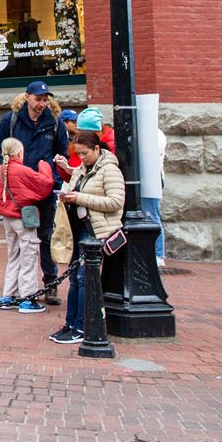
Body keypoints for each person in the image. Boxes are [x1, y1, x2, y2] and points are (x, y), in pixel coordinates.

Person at [0, 80, 70, 305]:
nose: (42, 104)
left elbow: (61, 152)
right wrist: (7, 174)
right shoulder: (11, 120)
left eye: (45, 100)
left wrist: (53, 181)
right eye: (38, 99)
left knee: (45, 236)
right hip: (20, 191)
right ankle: (18, 290)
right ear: (27, 97)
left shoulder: (55, 122)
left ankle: (50, 282)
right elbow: (0, 148)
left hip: (44, 188)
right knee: (20, 241)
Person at [49, 130, 125, 345]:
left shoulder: (110, 170)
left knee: (84, 279)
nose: (81, 158)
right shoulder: (82, 169)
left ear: (97, 149)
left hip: (96, 231)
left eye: (85, 153)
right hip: (80, 229)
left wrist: (80, 198)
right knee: (74, 278)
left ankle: (83, 326)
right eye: (78, 154)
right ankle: (71, 323)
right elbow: (79, 184)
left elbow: (116, 202)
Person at [0, 137, 56, 313]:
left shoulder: (0, 170)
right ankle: (27, 299)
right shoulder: (21, 170)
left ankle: (8, 295)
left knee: (13, 256)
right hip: (22, 218)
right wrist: (44, 165)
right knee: (28, 256)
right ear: (19, 153)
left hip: (7, 218)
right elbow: (46, 184)